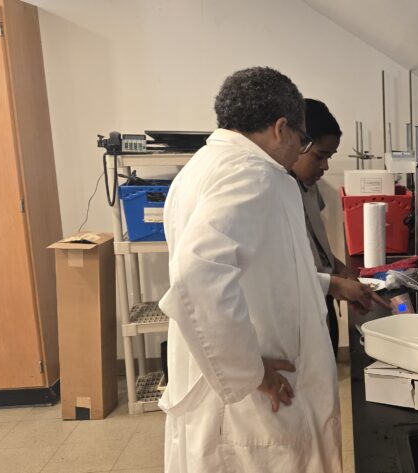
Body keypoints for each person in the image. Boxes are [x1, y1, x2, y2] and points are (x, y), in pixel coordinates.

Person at [158, 67, 386, 472]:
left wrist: (328, 284)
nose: (300, 151)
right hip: (257, 397)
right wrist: (250, 372)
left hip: (238, 382)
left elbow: (264, 274)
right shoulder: (251, 174)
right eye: (301, 139)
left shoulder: (206, 165)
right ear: (282, 128)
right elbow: (197, 273)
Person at [289, 98, 357, 358]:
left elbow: (317, 242)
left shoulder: (309, 185)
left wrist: (339, 268)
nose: (325, 166)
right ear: (297, 143)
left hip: (323, 296)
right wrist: (335, 284)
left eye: (330, 157)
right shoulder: (278, 193)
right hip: (301, 306)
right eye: (320, 156)